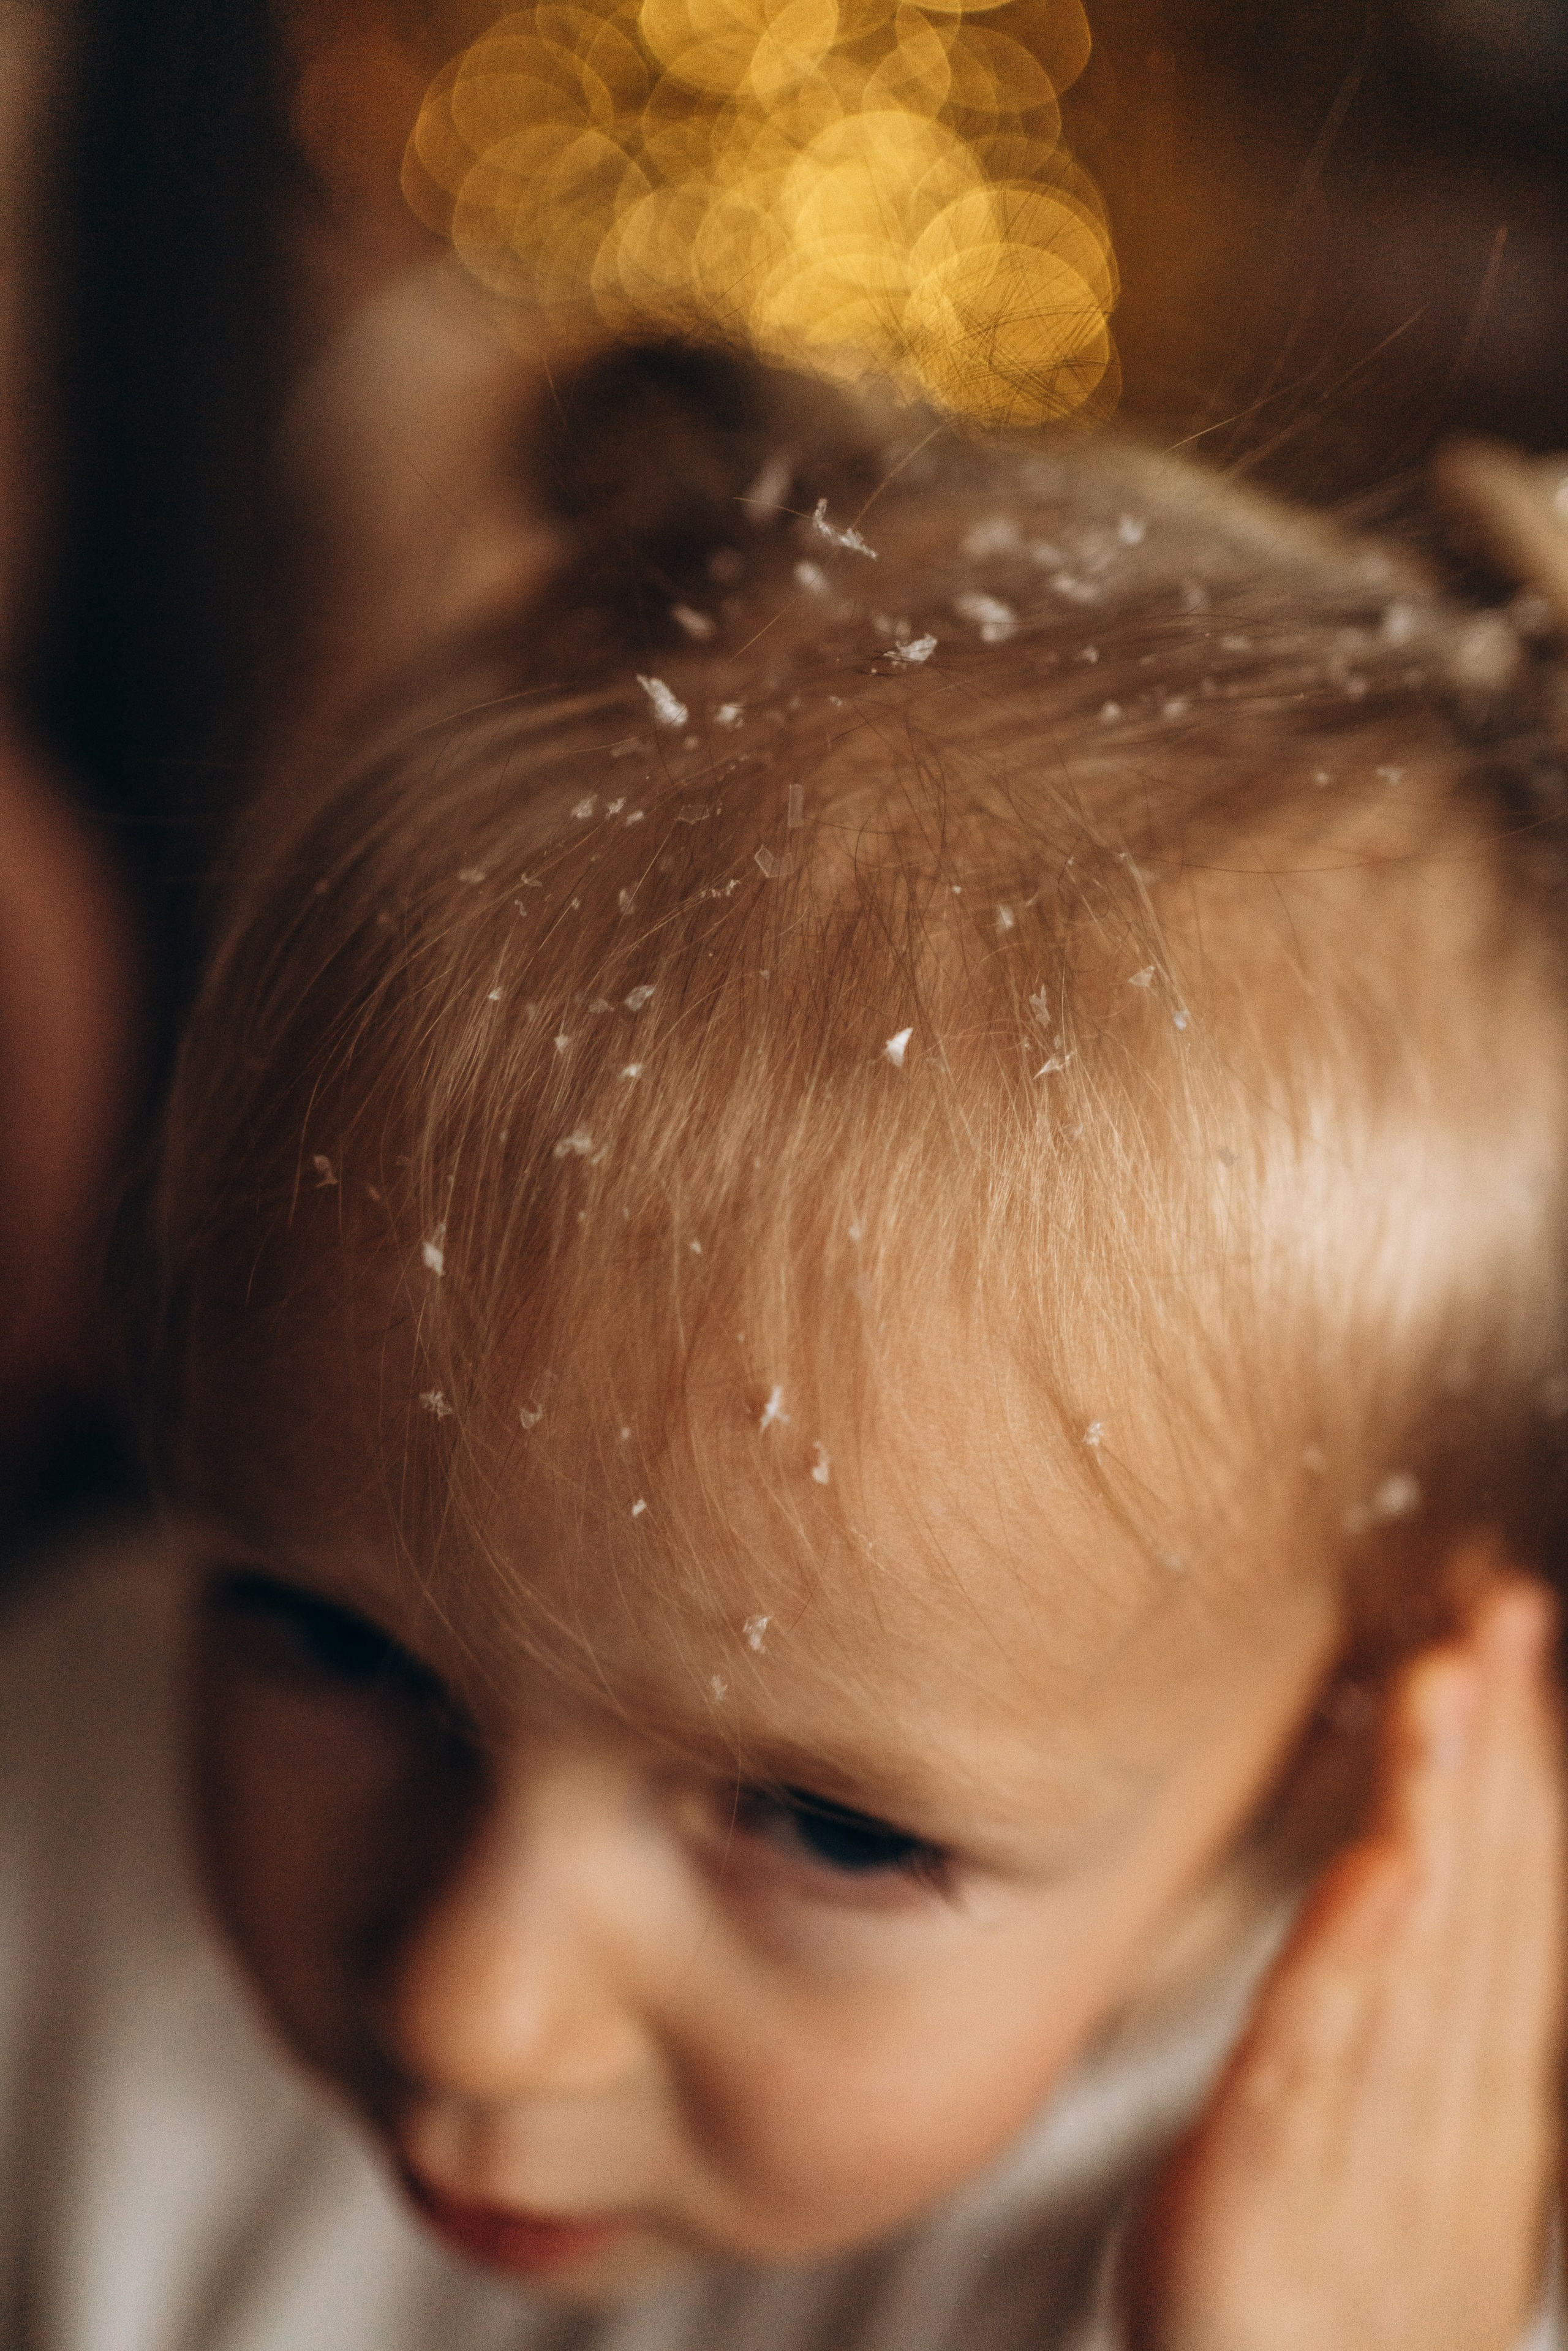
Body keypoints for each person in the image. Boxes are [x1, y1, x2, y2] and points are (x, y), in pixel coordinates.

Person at [4, 341, 1568, 2351]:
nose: (469, 2003)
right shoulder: (59, 1808)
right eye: (341, 1646)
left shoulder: (1382, 2273)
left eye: (831, 1829)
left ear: (1353, 1755)